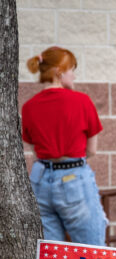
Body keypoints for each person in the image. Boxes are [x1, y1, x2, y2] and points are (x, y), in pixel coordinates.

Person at [22, 46, 107, 246]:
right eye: (71, 70)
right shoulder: (81, 101)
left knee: (51, 254)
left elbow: (35, 151)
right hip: (73, 179)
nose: (74, 76)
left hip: (40, 180)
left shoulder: (29, 106)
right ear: (60, 71)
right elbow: (91, 150)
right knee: (92, 252)